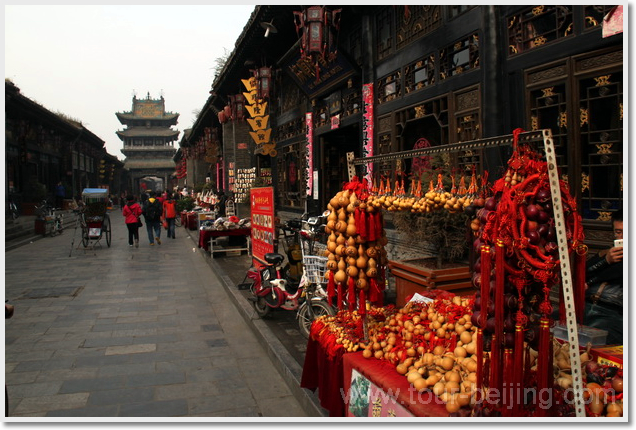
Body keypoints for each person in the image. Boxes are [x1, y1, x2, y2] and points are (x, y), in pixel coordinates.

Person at [584, 209, 623, 345]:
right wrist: (606, 260)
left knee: (592, 340)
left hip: (611, 313)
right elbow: (582, 273)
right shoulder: (607, 253)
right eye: (618, 232)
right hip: (586, 305)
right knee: (550, 325)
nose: (622, 237)